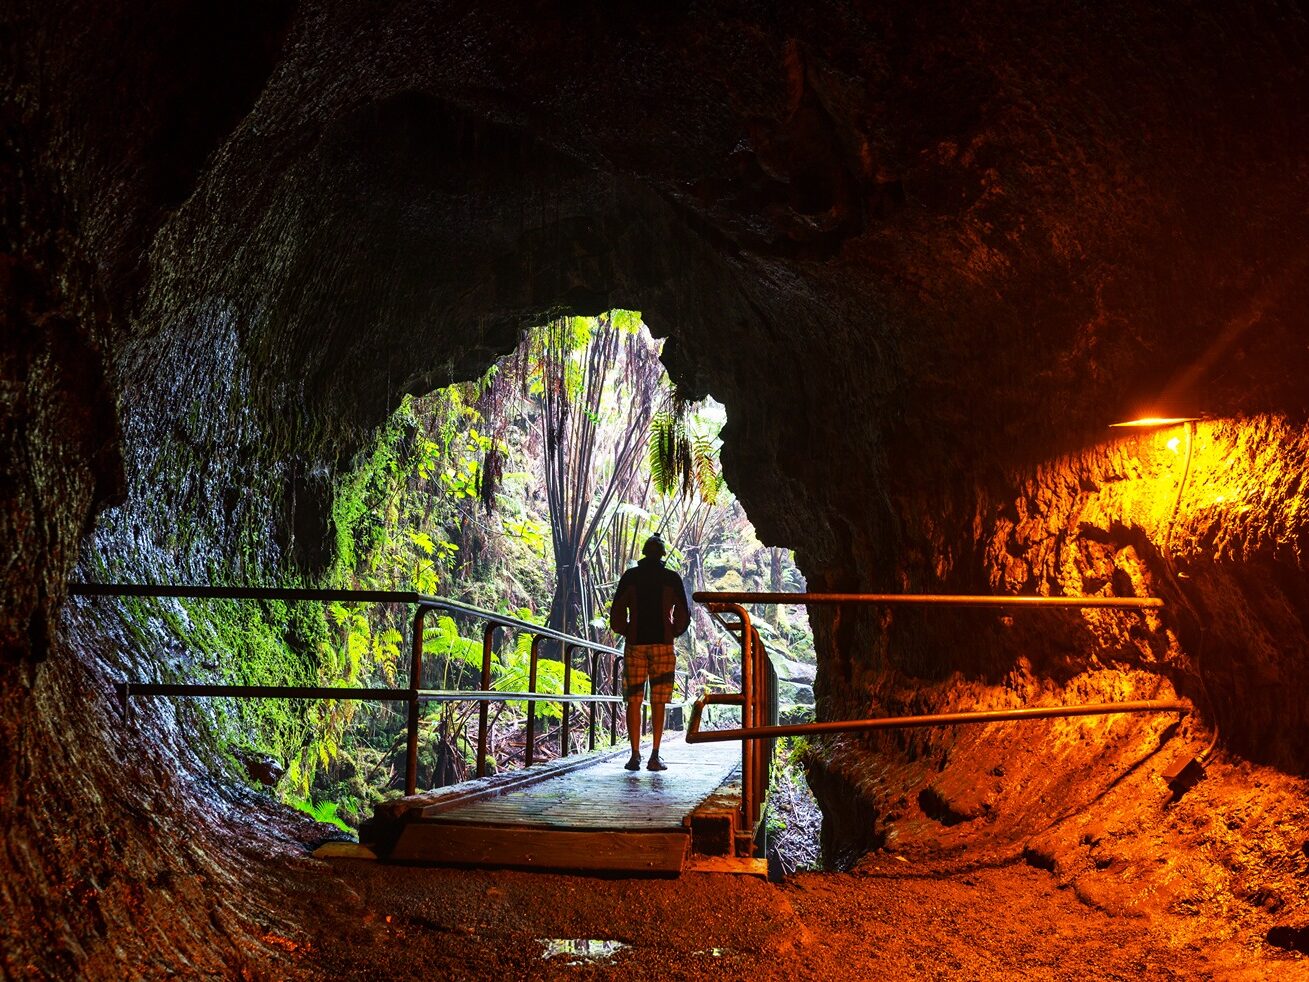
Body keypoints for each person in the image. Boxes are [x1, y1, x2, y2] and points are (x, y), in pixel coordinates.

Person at [608, 534, 690, 771]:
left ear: (644, 552)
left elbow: (617, 612)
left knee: (633, 699)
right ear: (662, 555)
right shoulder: (671, 578)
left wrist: (628, 630)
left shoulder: (631, 576)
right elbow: (683, 614)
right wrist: (671, 632)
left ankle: (635, 755)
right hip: (663, 645)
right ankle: (655, 755)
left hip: (636, 645)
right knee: (659, 700)